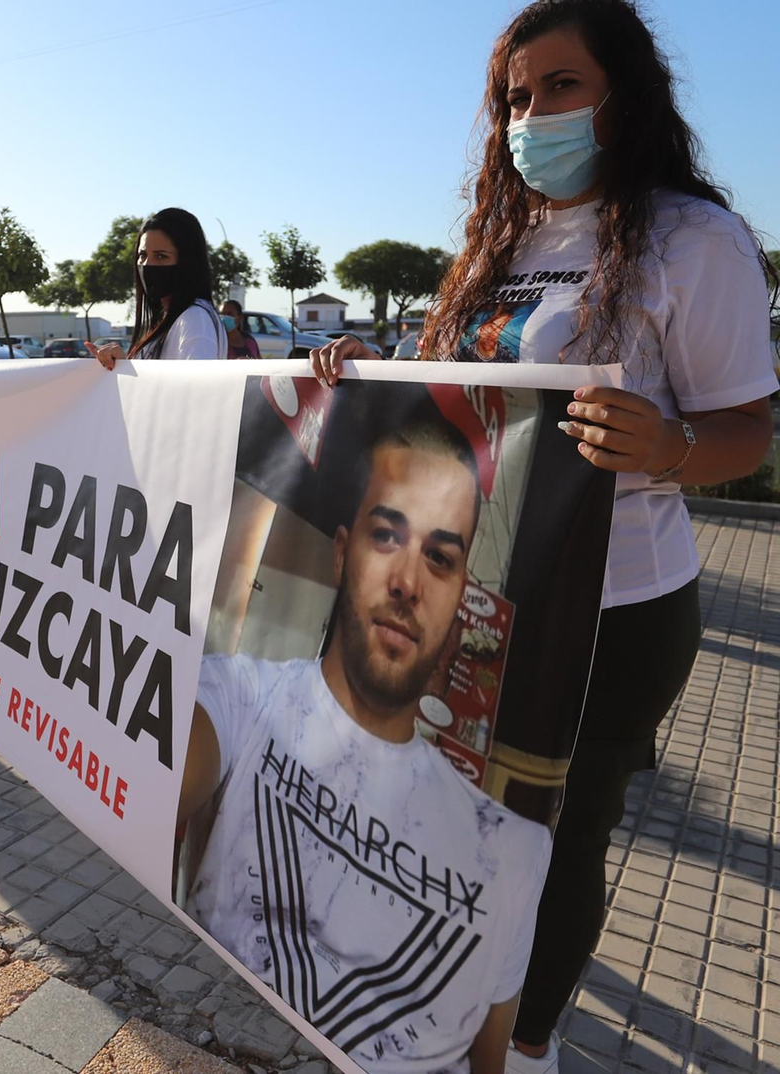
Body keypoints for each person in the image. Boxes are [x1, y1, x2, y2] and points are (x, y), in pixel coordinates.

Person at [307, 3, 778, 1069]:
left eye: (561, 86)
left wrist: (669, 444)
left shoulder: (693, 240)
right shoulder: (501, 242)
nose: (532, 116)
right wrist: (365, 371)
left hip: (615, 612)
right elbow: (462, 400)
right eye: (515, 98)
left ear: (625, 96)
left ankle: (524, 1051)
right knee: (449, 819)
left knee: (556, 843)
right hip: (481, 594)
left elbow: (746, 430)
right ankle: (435, 1012)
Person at [179, 413, 551, 1073]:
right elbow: (153, 778)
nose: (407, 582)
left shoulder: (513, 852)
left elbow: (486, 1061)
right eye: (387, 536)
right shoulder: (239, 696)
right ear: (342, 553)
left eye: (439, 558)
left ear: (460, 600)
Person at [88, 209, 227, 367]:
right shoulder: (171, 317)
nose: (147, 265)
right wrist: (122, 366)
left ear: (187, 262)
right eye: (142, 255)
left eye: (161, 256)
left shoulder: (195, 319)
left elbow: (195, 382)